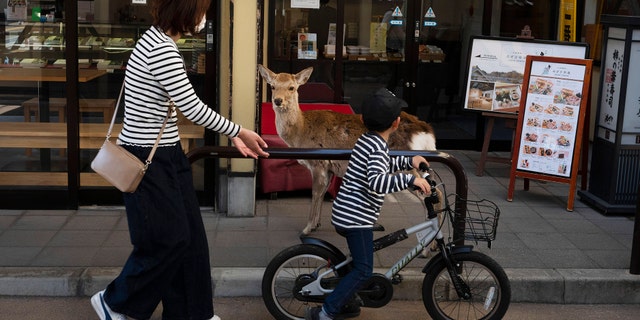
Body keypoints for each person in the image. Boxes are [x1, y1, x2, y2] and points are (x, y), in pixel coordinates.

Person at [90, 1, 269, 320]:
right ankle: (116, 302)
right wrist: (238, 131)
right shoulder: (161, 49)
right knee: (168, 239)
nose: (203, 18)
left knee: (192, 242)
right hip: (147, 158)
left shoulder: (157, 40)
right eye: (201, 11)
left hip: (166, 154)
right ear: (186, 11)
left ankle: (192, 314)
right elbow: (192, 107)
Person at [305, 88, 430, 320]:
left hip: (348, 212)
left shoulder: (368, 141)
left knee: (356, 263)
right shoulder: (376, 146)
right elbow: (377, 181)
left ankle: (347, 299)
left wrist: (409, 160)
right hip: (356, 219)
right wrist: (411, 179)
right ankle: (326, 312)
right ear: (397, 122)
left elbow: (382, 164)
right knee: (363, 270)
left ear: (362, 120)